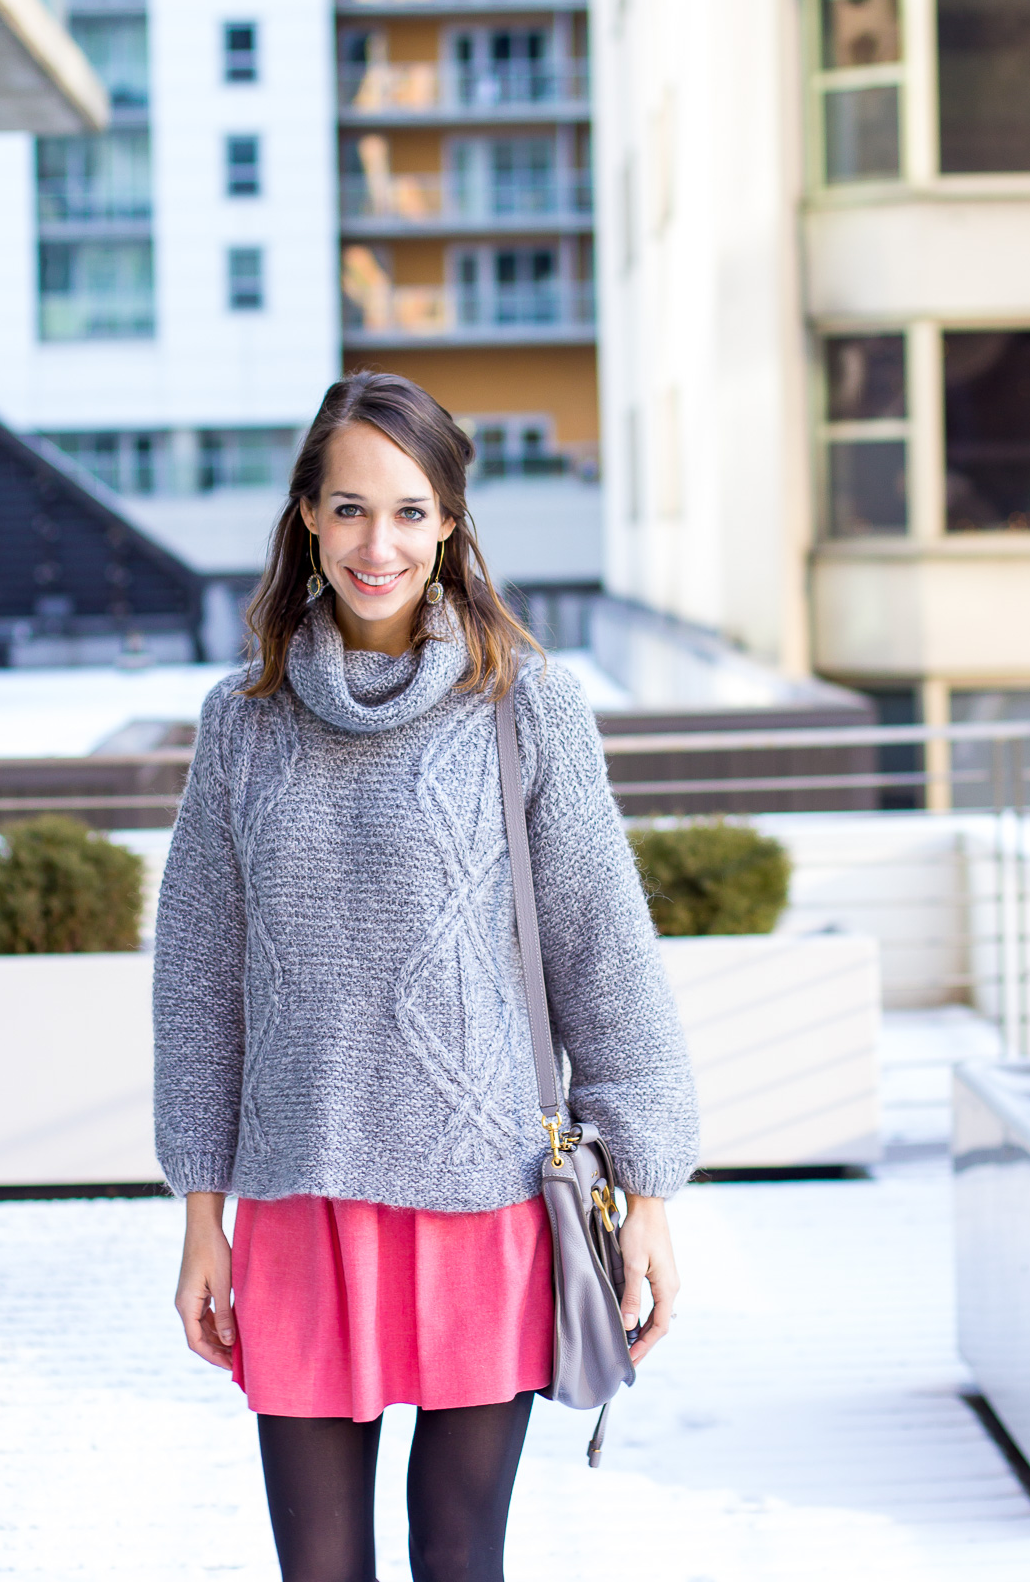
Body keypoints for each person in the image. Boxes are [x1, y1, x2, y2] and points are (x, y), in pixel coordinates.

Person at [153, 371, 700, 1582]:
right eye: (348, 509)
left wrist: (648, 1192)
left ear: (450, 520)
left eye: (408, 511)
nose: (377, 543)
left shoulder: (526, 705)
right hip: (298, 1206)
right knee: (322, 1570)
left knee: (459, 1557)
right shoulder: (240, 725)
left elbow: (604, 949)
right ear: (305, 516)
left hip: (485, 1197)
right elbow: (198, 983)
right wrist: (202, 1215)